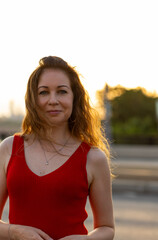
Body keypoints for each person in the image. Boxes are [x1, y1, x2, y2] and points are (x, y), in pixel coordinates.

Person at [0, 56, 115, 240]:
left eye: (62, 91)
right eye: (44, 92)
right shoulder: (9, 148)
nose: (53, 100)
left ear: (74, 97)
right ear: (33, 99)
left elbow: (107, 228)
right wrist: (14, 232)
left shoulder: (94, 158)